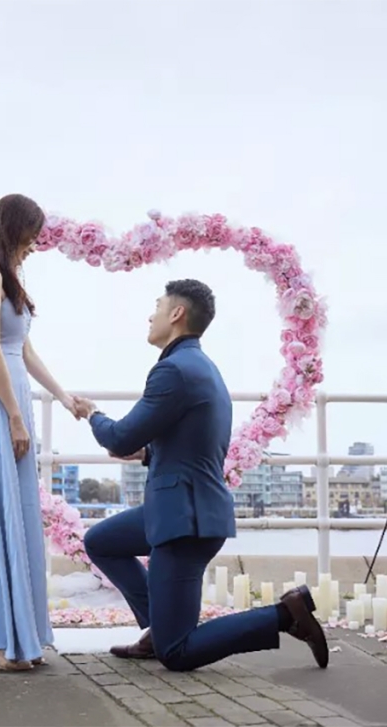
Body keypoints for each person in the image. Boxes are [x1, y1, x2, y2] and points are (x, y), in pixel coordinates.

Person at [72, 279, 328, 672]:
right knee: (102, 541)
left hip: (184, 521)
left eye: (156, 306)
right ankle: (158, 628)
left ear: (176, 314)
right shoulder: (200, 367)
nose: (150, 314)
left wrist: (92, 413)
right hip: (181, 507)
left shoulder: (173, 371)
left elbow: (120, 437)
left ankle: (284, 615)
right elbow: (193, 443)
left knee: (178, 654)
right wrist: (149, 453)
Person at [0, 193, 80, 672]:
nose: (33, 246)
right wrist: (12, 415)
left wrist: (65, 398)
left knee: (19, 512)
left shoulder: (6, 279)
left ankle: (13, 634)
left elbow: (22, 350)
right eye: (29, 237)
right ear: (11, 229)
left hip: (12, 395)